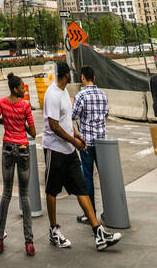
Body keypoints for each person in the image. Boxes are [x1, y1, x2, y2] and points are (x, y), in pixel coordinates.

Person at [44, 61, 121, 251]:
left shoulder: (64, 92)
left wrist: (77, 135)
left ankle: (98, 233)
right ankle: (54, 230)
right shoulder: (52, 94)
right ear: (66, 76)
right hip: (55, 150)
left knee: (81, 188)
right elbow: (53, 126)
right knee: (52, 191)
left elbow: (66, 121)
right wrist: (73, 140)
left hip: (70, 151)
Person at [0, 73, 36, 256]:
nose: (24, 89)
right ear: (16, 88)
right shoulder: (25, 106)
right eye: (22, 86)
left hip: (8, 148)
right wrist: (22, 125)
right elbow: (32, 131)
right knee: (24, 196)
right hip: (23, 149)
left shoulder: (1, 102)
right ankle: (29, 242)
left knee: (6, 194)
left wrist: (5, 121)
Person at [72, 65, 109, 222]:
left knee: (87, 177)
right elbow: (106, 114)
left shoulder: (81, 95)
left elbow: (73, 116)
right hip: (102, 141)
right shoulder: (103, 94)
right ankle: (110, 211)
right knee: (105, 177)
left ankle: (90, 213)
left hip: (86, 142)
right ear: (94, 78)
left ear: (82, 77)